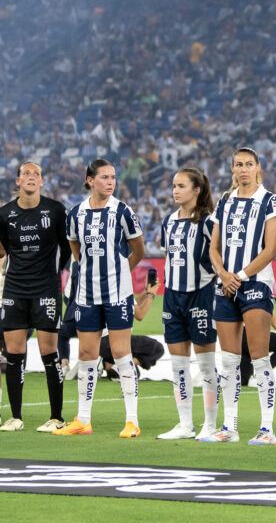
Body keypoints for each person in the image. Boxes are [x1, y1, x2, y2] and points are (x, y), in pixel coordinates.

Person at [53, 159, 144, 438]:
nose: (110, 182)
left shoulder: (122, 211)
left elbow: (137, 249)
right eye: (104, 177)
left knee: (120, 353)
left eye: (113, 177)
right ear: (90, 180)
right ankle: (83, 420)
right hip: (87, 294)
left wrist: (121, 273)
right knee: (86, 354)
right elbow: (74, 247)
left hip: (118, 294)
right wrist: (89, 270)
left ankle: (132, 421)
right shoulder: (76, 213)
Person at [203, 147, 276, 445]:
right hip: (225, 286)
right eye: (239, 164)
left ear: (259, 167)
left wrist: (240, 276)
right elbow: (214, 247)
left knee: (260, 358)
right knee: (229, 361)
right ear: (233, 169)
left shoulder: (269, 201)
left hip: (256, 284)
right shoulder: (225, 201)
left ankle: (267, 429)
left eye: (249, 164)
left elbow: (270, 249)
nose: (244, 169)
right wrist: (224, 275)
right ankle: (229, 427)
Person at [0, 162, 71, 432]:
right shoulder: (5, 214)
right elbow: (4, 249)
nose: (31, 177)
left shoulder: (55, 210)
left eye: (36, 174)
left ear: (42, 181)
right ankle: (15, 417)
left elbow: (66, 248)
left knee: (48, 352)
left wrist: (53, 273)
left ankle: (57, 417)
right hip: (15, 289)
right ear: (17, 181)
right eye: (26, 174)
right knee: (13, 352)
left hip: (46, 289)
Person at [157, 167, 220, 441]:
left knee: (206, 365)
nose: (175, 190)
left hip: (201, 295)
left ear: (197, 190)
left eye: (181, 186)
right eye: (173, 185)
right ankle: (185, 424)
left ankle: (210, 424)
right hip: (173, 297)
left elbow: (219, 258)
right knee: (178, 365)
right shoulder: (168, 221)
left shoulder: (208, 222)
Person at [58, 260, 163, 380]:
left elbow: (132, 307)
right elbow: (140, 314)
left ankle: (108, 364)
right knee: (157, 347)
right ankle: (117, 365)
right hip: (113, 340)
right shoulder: (122, 288)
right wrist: (151, 295)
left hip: (98, 342)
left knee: (135, 373)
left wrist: (145, 293)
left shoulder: (106, 288)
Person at [240, 313, 276, 386]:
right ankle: (262, 373)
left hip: (237, 336)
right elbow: (270, 313)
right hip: (251, 333)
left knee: (245, 380)